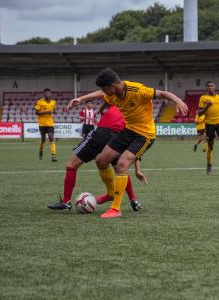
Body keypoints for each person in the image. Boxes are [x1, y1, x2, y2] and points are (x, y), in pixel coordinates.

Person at [69, 68, 188, 218]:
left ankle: (116, 209)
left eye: (105, 88)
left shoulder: (137, 90)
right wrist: (82, 99)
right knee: (101, 160)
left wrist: (178, 100)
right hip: (128, 130)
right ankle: (111, 193)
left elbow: (163, 94)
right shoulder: (113, 94)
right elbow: (101, 94)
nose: (103, 92)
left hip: (144, 135)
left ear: (112, 85)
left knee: (122, 165)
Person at [47, 104, 147, 212]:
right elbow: (135, 147)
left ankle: (66, 202)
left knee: (71, 165)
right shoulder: (138, 115)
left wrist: (84, 100)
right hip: (118, 139)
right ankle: (133, 199)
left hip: (100, 134)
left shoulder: (118, 99)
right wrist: (138, 169)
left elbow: (103, 94)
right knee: (120, 170)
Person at [198, 81, 219, 175]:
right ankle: (209, 164)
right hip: (209, 124)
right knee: (210, 145)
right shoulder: (203, 98)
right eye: (208, 86)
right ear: (206, 88)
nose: (210, 87)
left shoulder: (218, 97)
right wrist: (207, 106)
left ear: (215, 87)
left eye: (212, 86)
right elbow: (199, 113)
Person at [35, 88, 57, 162]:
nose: (47, 94)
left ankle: (53, 156)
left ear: (50, 94)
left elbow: (54, 110)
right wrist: (45, 112)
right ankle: (40, 151)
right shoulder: (40, 102)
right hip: (42, 124)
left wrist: (55, 112)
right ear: (44, 94)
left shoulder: (53, 102)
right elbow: (36, 112)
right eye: (46, 93)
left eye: (48, 93)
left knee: (51, 138)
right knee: (43, 140)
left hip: (50, 123)